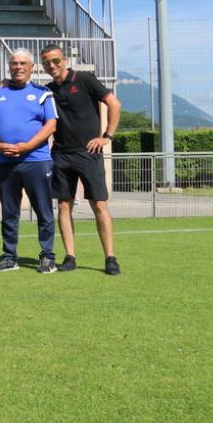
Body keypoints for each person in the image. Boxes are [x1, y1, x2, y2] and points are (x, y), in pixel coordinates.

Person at [40, 44, 122, 275]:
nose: (52, 66)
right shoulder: (46, 90)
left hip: (89, 153)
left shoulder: (85, 79)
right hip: (60, 155)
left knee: (99, 205)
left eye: (55, 60)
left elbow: (114, 104)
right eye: (46, 62)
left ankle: (110, 258)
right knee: (64, 205)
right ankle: (70, 256)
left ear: (64, 60)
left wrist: (106, 136)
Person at [0, 48, 58, 273]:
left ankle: (47, 256)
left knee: (43, 210)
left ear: (32, 68)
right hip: (5, 163)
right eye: (14, 63)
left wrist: (28, 146)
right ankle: (9, 256)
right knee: (9, 212)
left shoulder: (43, 94)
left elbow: (51, 125)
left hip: (36, 161)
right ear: (10, 67)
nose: (19, 67)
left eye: (23, 63)